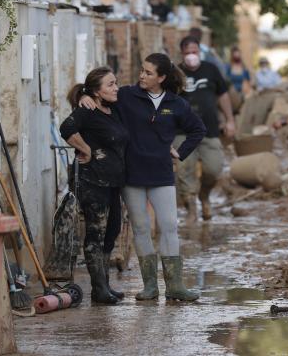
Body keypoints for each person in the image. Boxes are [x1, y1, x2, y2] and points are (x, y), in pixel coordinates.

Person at [81, 53, 206, 302]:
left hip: (161, 173)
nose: (142, 75)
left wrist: (179, 153)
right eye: (141, 70)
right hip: (131, 174)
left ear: (161, 77)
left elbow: (198, 129)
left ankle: (175, 285)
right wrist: (84, 95)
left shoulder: (176, 103)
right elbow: (99, 94)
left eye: (148, 73)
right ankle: (150, 286)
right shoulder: (126, 96)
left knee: (169, 226)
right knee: (140, 228)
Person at [60, 67, 129, 304]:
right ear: (97, 91)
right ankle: (99, 290)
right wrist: (85, 148)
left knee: (111, 232)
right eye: (110, 84)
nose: (116, 87)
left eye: (115, 83)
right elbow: (66, 129)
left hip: (112, 183)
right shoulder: (86, 111)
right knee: (95, 234)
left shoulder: (115, 109)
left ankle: (105, 286)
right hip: (91, 181)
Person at [175, 35, 236, 224]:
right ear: (182, 54)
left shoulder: (211, 70)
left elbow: (223, 96)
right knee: (185, 171)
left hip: (209, 130)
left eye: (194, 52)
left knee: (214, 168)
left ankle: (204, 194)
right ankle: (191, 209)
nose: (191, 56)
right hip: (182, 131)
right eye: (187, 53)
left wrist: (230, 120)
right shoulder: (175, 73)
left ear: (199, 52)